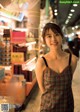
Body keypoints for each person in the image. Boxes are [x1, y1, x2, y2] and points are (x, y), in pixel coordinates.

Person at [35, 23, 78, 112]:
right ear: (44, 40)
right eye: (49, 36)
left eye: (56, 35)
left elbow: (67, 85)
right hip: (48, 107)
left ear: (61, 37)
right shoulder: (42, 62)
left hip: (67, 106)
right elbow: (42, 89)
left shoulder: (72, 59)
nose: (53, 39)